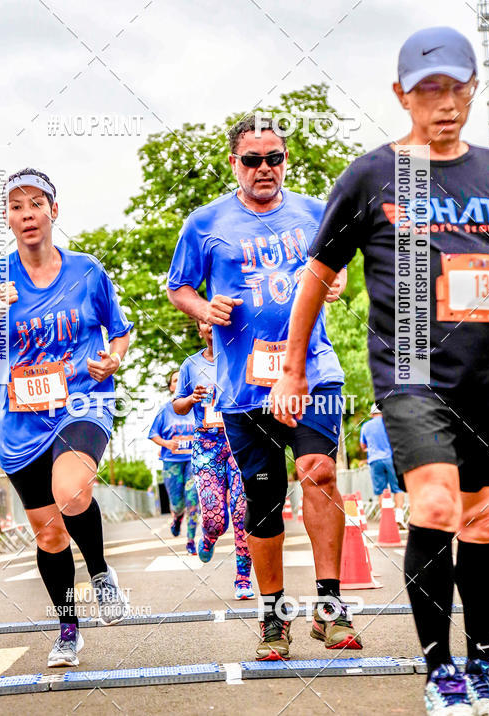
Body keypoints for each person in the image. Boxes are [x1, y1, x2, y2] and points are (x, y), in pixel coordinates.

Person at [271, 26, 489, 714]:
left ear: (474, 88)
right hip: (413, 371)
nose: (446, 103)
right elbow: (318, 276)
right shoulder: (373, 176)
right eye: (429, 90)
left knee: (484, 523)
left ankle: (481, 665)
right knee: (433, 506)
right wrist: (293, 369)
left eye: (457, 87)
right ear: (402, 94)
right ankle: (440, 671)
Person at [167, 114, 362, 660]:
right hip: (243, 386)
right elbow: (178, 287)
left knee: (319, 472)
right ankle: (274, 615)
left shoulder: (313, 211)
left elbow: (339, 266)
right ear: (235, 163)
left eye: (274, 158)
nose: (264, 168)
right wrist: (204, 308)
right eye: (252, 160)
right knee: (264, 499)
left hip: (312, 369)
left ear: (285, 160)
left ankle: (329, 606)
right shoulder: (205, 223)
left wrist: (335, 282)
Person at [0, 168, 133, 668]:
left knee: (72, 491)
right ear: (8, 219)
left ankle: (100, 573)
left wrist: (113, 359)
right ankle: (68, 630)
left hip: (81, 401)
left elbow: (119, 332)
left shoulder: (86, 271)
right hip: (19, 420)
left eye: (36, 203)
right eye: (17, 207)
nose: (27, 214)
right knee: (50, 534)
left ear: (54, 211)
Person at [173, 319, 253, 600]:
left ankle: (243, 578)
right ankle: (209, 536)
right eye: (204, 322)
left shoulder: (243, 355)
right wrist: (192, 399)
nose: (210, 326)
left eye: (214, 321)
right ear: (199, 330)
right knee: (215, 519)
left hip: (240, 441)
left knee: (242, 512)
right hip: (207, 445)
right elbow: (177, 405)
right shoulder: (190, 365)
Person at [148, 371, 199, 554]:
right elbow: (153, 434)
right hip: (172, 463)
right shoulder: (165, 410)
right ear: (170, 387)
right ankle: (177, 517)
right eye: (175, 381)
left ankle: (191, 541)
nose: (179, 383)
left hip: (193, 461)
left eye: (182, 379)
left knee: (193, 500)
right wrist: (166, 443)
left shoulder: (197, 408)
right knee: (178, 504)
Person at [360, 404, 406, 529]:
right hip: (391, 458)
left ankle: (387, 520)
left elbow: (363, 446)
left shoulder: (366, 426)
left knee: (381, 491)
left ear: (371, 414)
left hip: (374, 460)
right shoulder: (390, 423)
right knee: (398, 488)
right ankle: (399, 517)